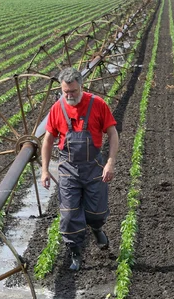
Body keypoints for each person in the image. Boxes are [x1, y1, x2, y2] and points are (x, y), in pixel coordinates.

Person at [40, 67, 119, 271]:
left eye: (73, 91)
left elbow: (112, 134)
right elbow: (48, 140)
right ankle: (75, 251)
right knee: (68, 214)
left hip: (94, 166)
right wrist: (45, 170)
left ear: (81, 87)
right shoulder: (57, 108)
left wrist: (110, 162)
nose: (69, 95)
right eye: (65, 92)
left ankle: (97, 227)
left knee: (97, 211)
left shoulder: (98, 105)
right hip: (68, 168)